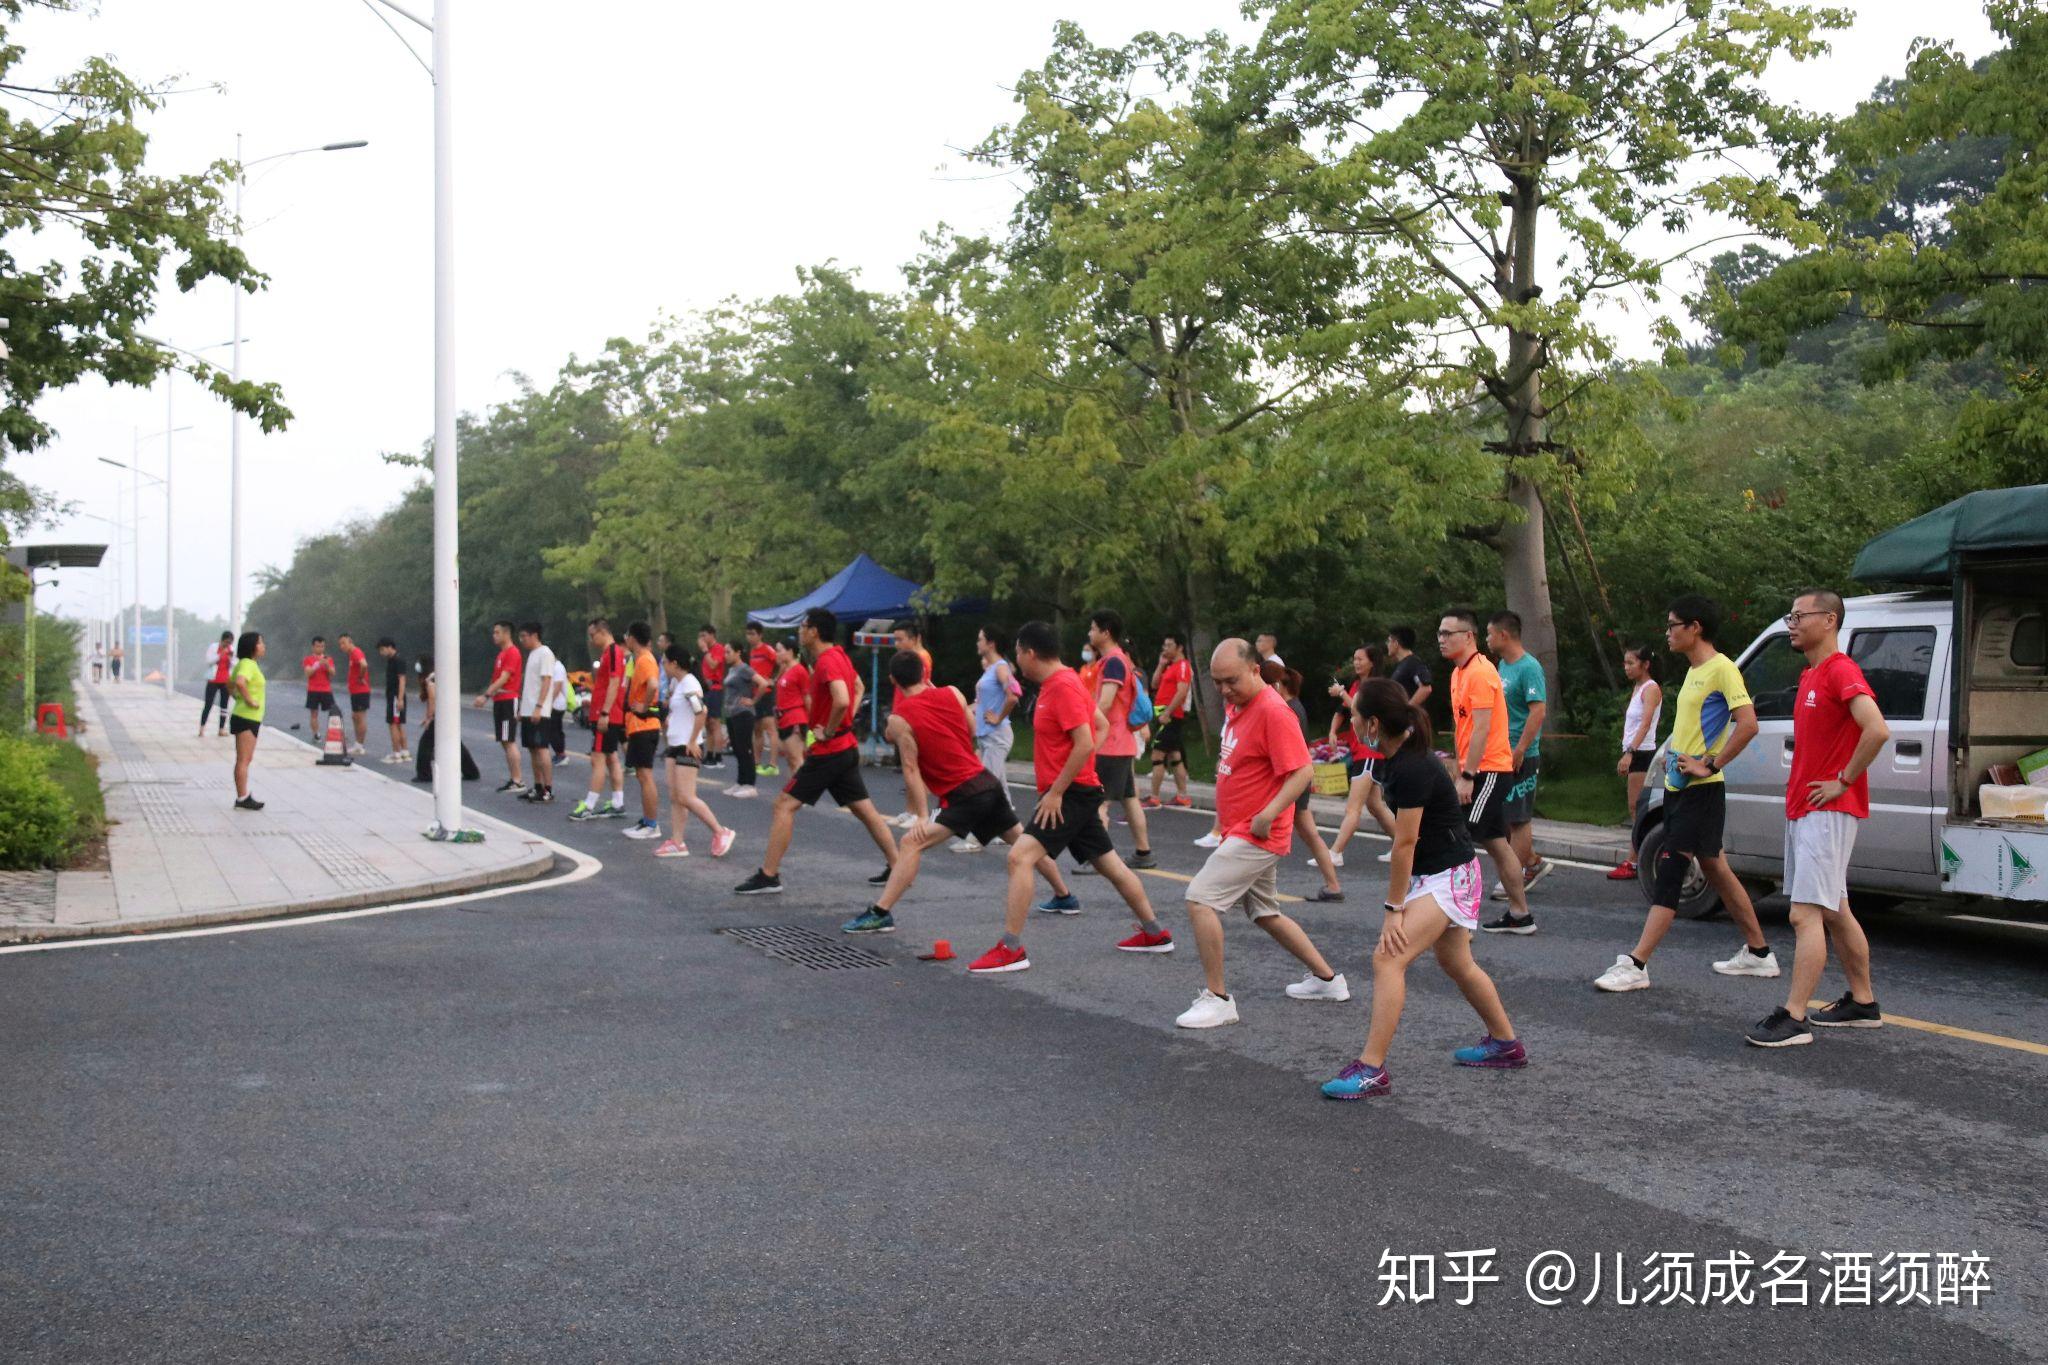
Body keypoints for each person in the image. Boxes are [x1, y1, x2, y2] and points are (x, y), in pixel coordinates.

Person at [1320, 679, 1528, 1099]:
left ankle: (1372, 1069)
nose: (1351, 723)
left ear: (1373, 722)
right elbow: (1396, 822)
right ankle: (1506, 1044)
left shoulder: (1413, 767)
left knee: (1387, 958)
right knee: (1456, 962)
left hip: (1448, 875)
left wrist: (1393, 907)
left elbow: (1405, 843)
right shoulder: (1393, 760)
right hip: (1444, 871)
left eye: (1355, 716)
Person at [965, 621, 1173, 975]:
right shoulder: (1062, 682)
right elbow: (1100, 727)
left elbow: (1086, 741)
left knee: (1019, 857)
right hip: (1075, 789)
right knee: (1110, 865)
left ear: (1030, 653)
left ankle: (1010, 948)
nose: (1016, 660)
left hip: (1070, 794)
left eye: (1017, 652)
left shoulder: (1062, 686)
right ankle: (1155, 933)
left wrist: (1059, 789)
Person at [1593, 595, 1778, 993]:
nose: (1667, 632)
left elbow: (1748, 724)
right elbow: (1695, 728)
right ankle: (1760, 954)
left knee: (1671, 867)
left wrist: (1709, 764)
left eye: (1673, 624)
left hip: (1702, 791)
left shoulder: (1722, 669)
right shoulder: (1695, 672)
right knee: (1716, 869)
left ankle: (1637, 963)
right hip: (1684, 788)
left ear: (1694, 627)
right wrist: (1673, 757)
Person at [842, 651, 1080, 933]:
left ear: (894, 680)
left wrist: (920, 815)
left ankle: (881, 912)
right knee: (1022, 841)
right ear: (923, 673)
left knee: (910, 843)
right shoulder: (953, 693)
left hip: (965, 793)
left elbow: (910, 768)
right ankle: (1065, 896)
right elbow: (970, 730)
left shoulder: (899, 719)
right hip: (984, 781)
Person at [1747, 589, 1889, 1047]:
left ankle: (1794, 1017)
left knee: (1804, 914)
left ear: (1828, 620)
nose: (1791, 623)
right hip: (1808, 810)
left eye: (1798, 615)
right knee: (1834, 908)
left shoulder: (1840, 670)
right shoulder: (1811, 675)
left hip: (1827, 811)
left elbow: (1877, 728)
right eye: (1789, 616)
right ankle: (1863, 1003)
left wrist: (1844, 780)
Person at [1175, 643, 1343, 1028]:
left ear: (1255, 669)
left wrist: (1268, 814)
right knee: (1265, 912)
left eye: (1231, 680)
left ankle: (1218, 999)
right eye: (1217, 682)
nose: (1224, 690)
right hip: (1241, 829)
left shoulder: (1272, 710)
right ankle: (1328, 980)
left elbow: (1302, 772)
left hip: (1256, 833)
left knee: (1200, 899)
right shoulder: (1239, 706)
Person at [732, 608, 899, 895]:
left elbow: (843, 699)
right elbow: (857, 687)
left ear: (815, 632)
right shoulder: (840, 657)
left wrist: (832, 728)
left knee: (784, 804)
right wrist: (843, 726)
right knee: (865, 810)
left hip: (830, 749)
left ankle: (769, 875)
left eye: (803, 626)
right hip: (843, 747)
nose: (799, 631)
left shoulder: (826, 661)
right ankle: (899, 866)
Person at [1438, 609, 1536, 934]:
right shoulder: (1457, 674)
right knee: (1495, 841)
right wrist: (1457, 767)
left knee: (1462, 838)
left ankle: (1461, 918)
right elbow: (1462, 728)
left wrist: (1467, 776)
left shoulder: (1481, 673)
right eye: (1439, 633)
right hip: (1475, 769)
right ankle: (1520, 914)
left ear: (1468, 636)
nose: (1441, 639)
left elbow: (1481, 729)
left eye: (1448, 633)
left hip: (1489, 770)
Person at [1486, 612, 1551, 896]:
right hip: (1500, 751)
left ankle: (1517, 876)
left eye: (1489, 634)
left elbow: (1538, 710)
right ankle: (1532, 861)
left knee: (1519, 817)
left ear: (1504, 635)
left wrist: (1521, 748)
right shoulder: (1502, 665)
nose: (1486, 639)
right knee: (1504, 815)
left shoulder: (1529, 667)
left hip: (1521, 752)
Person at [1084, 609, 1155, 869]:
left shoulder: (1113, 661)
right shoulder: (1116, 660)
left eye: (1093, 628)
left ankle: (1097, 859)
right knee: (1129, 798)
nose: (1090, 633)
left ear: (1105, 632)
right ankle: (1143, 853)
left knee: (1099, 803)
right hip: (1121, 742)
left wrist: (1083, 723)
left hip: (1111, 743)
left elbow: (1105, 702)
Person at [654, 646, 736, 859]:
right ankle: (677, 842)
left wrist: (692, 740)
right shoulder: (678, 683)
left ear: (674, 663)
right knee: (675, 797)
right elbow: (686, 711)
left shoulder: (689, 683)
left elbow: (702, 711)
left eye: (664, 661)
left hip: (686, 745)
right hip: (675, 744)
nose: (662, 665)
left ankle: (720, 831)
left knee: (686, 796)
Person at [1324, 644, 1398, 869]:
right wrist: (1332, 731)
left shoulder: (1376, 687)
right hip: (1361, 752)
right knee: (1375, 806)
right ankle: (1405, 844)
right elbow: (1343, 711)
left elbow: (1359, 710)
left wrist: (1343, 693)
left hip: (1369, 752)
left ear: (1372, 662)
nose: (1356, 663)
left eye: (1360, 659)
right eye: (1354, 659)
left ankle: (1335, 852)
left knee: (1353, 808)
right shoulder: (1357, 684)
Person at [1275, 666, 1344, 903]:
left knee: (1266, 832)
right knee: (1309, 833)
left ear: (1280, 685)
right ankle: (1333, 885)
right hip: (1299, 777)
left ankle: (1250, 889)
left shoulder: (1289, 710)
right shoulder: (1295, 707)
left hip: (1292, 778)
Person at [954, 625, 1022, 853]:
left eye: (980, 639)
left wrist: (998, 717)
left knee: (983, 788)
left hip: (997, 735)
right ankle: (1006, 832)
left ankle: (976, 837)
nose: (977, 642)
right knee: (999, 786)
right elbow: (983, 703)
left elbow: (1013, 695)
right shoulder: (991, 668)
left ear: (991, 643)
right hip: (988, 736)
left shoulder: (1001, 668)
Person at [1606, 644, 1663, 880]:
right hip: (1635, 751)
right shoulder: (1638, 688)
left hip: (1642, 752)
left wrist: (1630, 752)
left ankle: (1634, 860)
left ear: (1645, 665)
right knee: (1635, 808)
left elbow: (1646, 722)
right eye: (1625, 663)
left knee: (1636, 808)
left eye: (1631, 663)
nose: (1626, 667)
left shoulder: (1651, 688)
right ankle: (1636, 858)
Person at [571, 619, 630, 820]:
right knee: (611, 757)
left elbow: (614, 682)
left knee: (598, 759)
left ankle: (589, 804)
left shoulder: (613, 652)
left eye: (592, 635)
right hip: (607, 713)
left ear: (602, 631)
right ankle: (617, 801)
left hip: (607, 715)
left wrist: (605, 712)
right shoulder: (609, 653)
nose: (591, 639)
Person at [620, 622, 665, 838]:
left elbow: (654, 685)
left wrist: (644, 706)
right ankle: (647, 820)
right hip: (639, 725)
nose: (625, 639)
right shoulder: (641, 659)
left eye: (626, 635)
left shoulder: (645, 659)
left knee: (645, 775)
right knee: (641, 774)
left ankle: (651, 825)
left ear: (632, 638)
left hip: (645, 724)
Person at [473, 619, 526, 793]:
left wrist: (486, 695)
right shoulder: (501, 654)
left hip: (508, 699)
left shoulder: (512, 653)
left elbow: (504, 678)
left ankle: (517, 780)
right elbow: (496, 678)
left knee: (508, 740)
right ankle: (514, 778)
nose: (494, 636)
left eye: (497, 632)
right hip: (500, 700)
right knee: (504, 740)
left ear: (506, 633)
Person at [1145, 632, 1195, 809]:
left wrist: (1168, 712)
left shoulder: (1182, 666)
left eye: (1169, 645)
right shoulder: (1170, 666)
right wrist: (1160, 665)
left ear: (1179, 647)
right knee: (1175, 755)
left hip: (1171, 717)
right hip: (1164, 715)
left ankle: (1154, 797)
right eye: (1164, 646)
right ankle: (1182, 796)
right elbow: (1154, 684)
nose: (1165, 649)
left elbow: (1181, 691)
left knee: (1157, 755)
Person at [412, 653, 481, 783]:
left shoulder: (431, 678)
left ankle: (424, 774)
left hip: (440, 716)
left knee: (425, 744)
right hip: (449, 713)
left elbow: (432, 698)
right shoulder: (438, 675)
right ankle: (471, 771)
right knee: (455, 744)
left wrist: (429, 717)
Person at [515, 622, 558, 804]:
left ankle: (548, 788)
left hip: (539, 710)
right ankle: (538, 785)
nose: (522, 640)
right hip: (528, 709)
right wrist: (522, 709)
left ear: (534, 635)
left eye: (524, 636)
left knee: (541, 749)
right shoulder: (532, 654)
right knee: (532, 749)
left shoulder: (545, 653)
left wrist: (539, 706)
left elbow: (547, 681)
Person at [228, 631, 267, 811]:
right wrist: (249, 700)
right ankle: (242, 797)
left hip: (247, 716)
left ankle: (243, 795)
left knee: (245, 758)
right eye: (260, 643)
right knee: (243, 759)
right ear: (252, 646)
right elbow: (240, 682)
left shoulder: (245, 664)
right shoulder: (248, 664)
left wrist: (236, 696)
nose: (263, 646)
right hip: (246, 716)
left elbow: (230, 684)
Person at [721, 646, 761, 798]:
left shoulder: (744, 669)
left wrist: (753, 701)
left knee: (745, 749)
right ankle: (740, 781)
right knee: (737, 749)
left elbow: (763, 683)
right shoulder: (732, 670)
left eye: (729, 652)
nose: (726, 655)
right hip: (732, 714)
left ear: (738, 652)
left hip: (743, 713)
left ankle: (750, 785)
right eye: (725, 652)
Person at [771, 638, 810, 778]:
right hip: (783, 718)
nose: (777, 653)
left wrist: (812, 722)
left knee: (797, 759)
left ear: (790, 651)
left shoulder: (800, 671)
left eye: (779, 650)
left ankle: (802, 796)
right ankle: (793, 794)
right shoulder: (785, 670)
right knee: (790, 761)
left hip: (795, 719)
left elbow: (807, 697)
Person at [745, 621, 779, 775]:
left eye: (753, 634)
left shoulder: (767, 650)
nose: (749, 637)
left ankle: (772, 764)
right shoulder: (751, 652)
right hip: (755, 692)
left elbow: (782, 662)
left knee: (770, 729)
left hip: (766, 692)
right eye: (748, 634)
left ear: (760, 635)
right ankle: (756, 762)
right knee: (757, 729)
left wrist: (775, 679)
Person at [332, 632, 372, 755]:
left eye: (344, 643)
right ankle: (357, 744)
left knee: (360, 717)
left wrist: (360, 677)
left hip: (361, 691)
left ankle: (360, 745)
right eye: (340, 644)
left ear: (350, 641)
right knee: (355, 717)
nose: (342, 646)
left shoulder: (356, 652)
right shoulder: (352, 654)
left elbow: (364, 664)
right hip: (355, 691)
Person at [696, 625, 728, 766]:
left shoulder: (718, 649)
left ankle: (718, 756)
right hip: (706, 689)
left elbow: (714, 664)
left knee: (715, 722)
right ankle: (709, 754)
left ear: (712, 635)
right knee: (708, 723)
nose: (702, 639)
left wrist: (704, 650)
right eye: (700, 636)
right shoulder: (708, 651)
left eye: (704, 635)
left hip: (716, 687)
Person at [378, 638, 411, 764]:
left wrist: (400, 699)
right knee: (398, 724)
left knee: (393, 724)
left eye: (382, 649)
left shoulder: (398, 660)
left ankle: (396, 753)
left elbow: (402, 680)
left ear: (390, 647)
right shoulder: (391, 660)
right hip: (395, 697)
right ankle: (404, 752)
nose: (381, 653)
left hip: (395, 697)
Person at [1386, 626, 1434, 707]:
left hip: (1411, 718)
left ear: (1396, 643)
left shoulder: (1413, 663)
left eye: (1389, 641)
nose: (1387, 644)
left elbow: (1426, 688)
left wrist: (1407, 710)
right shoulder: (1402, 665)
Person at [199, 630, 234, 737]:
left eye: (230, 643)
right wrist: (220, 654)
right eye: (226, 642)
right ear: (222, 640)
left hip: (225, 680)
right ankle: (202, 728)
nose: (227, 645)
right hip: (213, 680)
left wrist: (230, 658)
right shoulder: (213, 647)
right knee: (208, 704)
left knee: (224, 705)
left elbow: (235, 664)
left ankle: (221, 729)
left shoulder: (231, 649)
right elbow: (208, 661)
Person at [301, 636, 335, 737]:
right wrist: (317, 664)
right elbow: (308, 673)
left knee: (333, 712)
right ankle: (316, 733)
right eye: (318, 646)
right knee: (314, 714)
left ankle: (335, 732)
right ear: (313, 647)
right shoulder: (308, 659)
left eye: (322, 646)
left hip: (326, 690)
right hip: (313, 690)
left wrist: (327, 665)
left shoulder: (328, 659)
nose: (320, 648)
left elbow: (333, 674)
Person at [548, 650, 569, 764]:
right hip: (555, 703)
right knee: (555, 729)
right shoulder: (553, 667)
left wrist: (550, 703)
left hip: (557, 704)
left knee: (554, 730)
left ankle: (561, 754)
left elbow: (558, 686)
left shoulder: (558, 667)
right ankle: (559, 753)